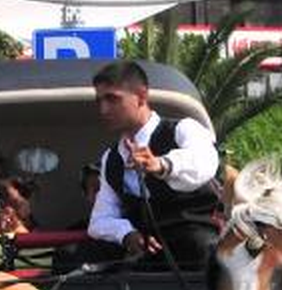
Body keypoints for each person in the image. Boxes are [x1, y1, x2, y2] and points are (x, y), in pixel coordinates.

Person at [87, 60, 221, 267]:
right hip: (146, 251)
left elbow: (205, 162)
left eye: (112, 99)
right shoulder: (111, 158)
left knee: (198, 247)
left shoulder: (183, 130)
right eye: (100, 101)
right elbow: (99, 220)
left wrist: (161, 165)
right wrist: (127, 234)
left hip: (193, 244)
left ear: (141, 96)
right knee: (77, 255)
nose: (103, 109)